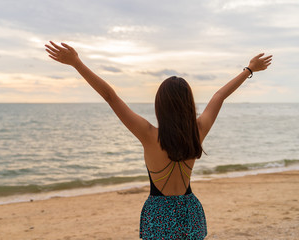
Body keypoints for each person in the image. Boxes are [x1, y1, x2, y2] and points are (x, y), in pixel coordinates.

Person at [45, 41, 272, 239]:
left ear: (159, 105)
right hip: (189, 210)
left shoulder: (148, 134)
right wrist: (249, 69)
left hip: (157, 213)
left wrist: (77, 63)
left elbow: (110, 97)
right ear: (188, 104)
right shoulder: (198, 130)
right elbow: (219, 96)